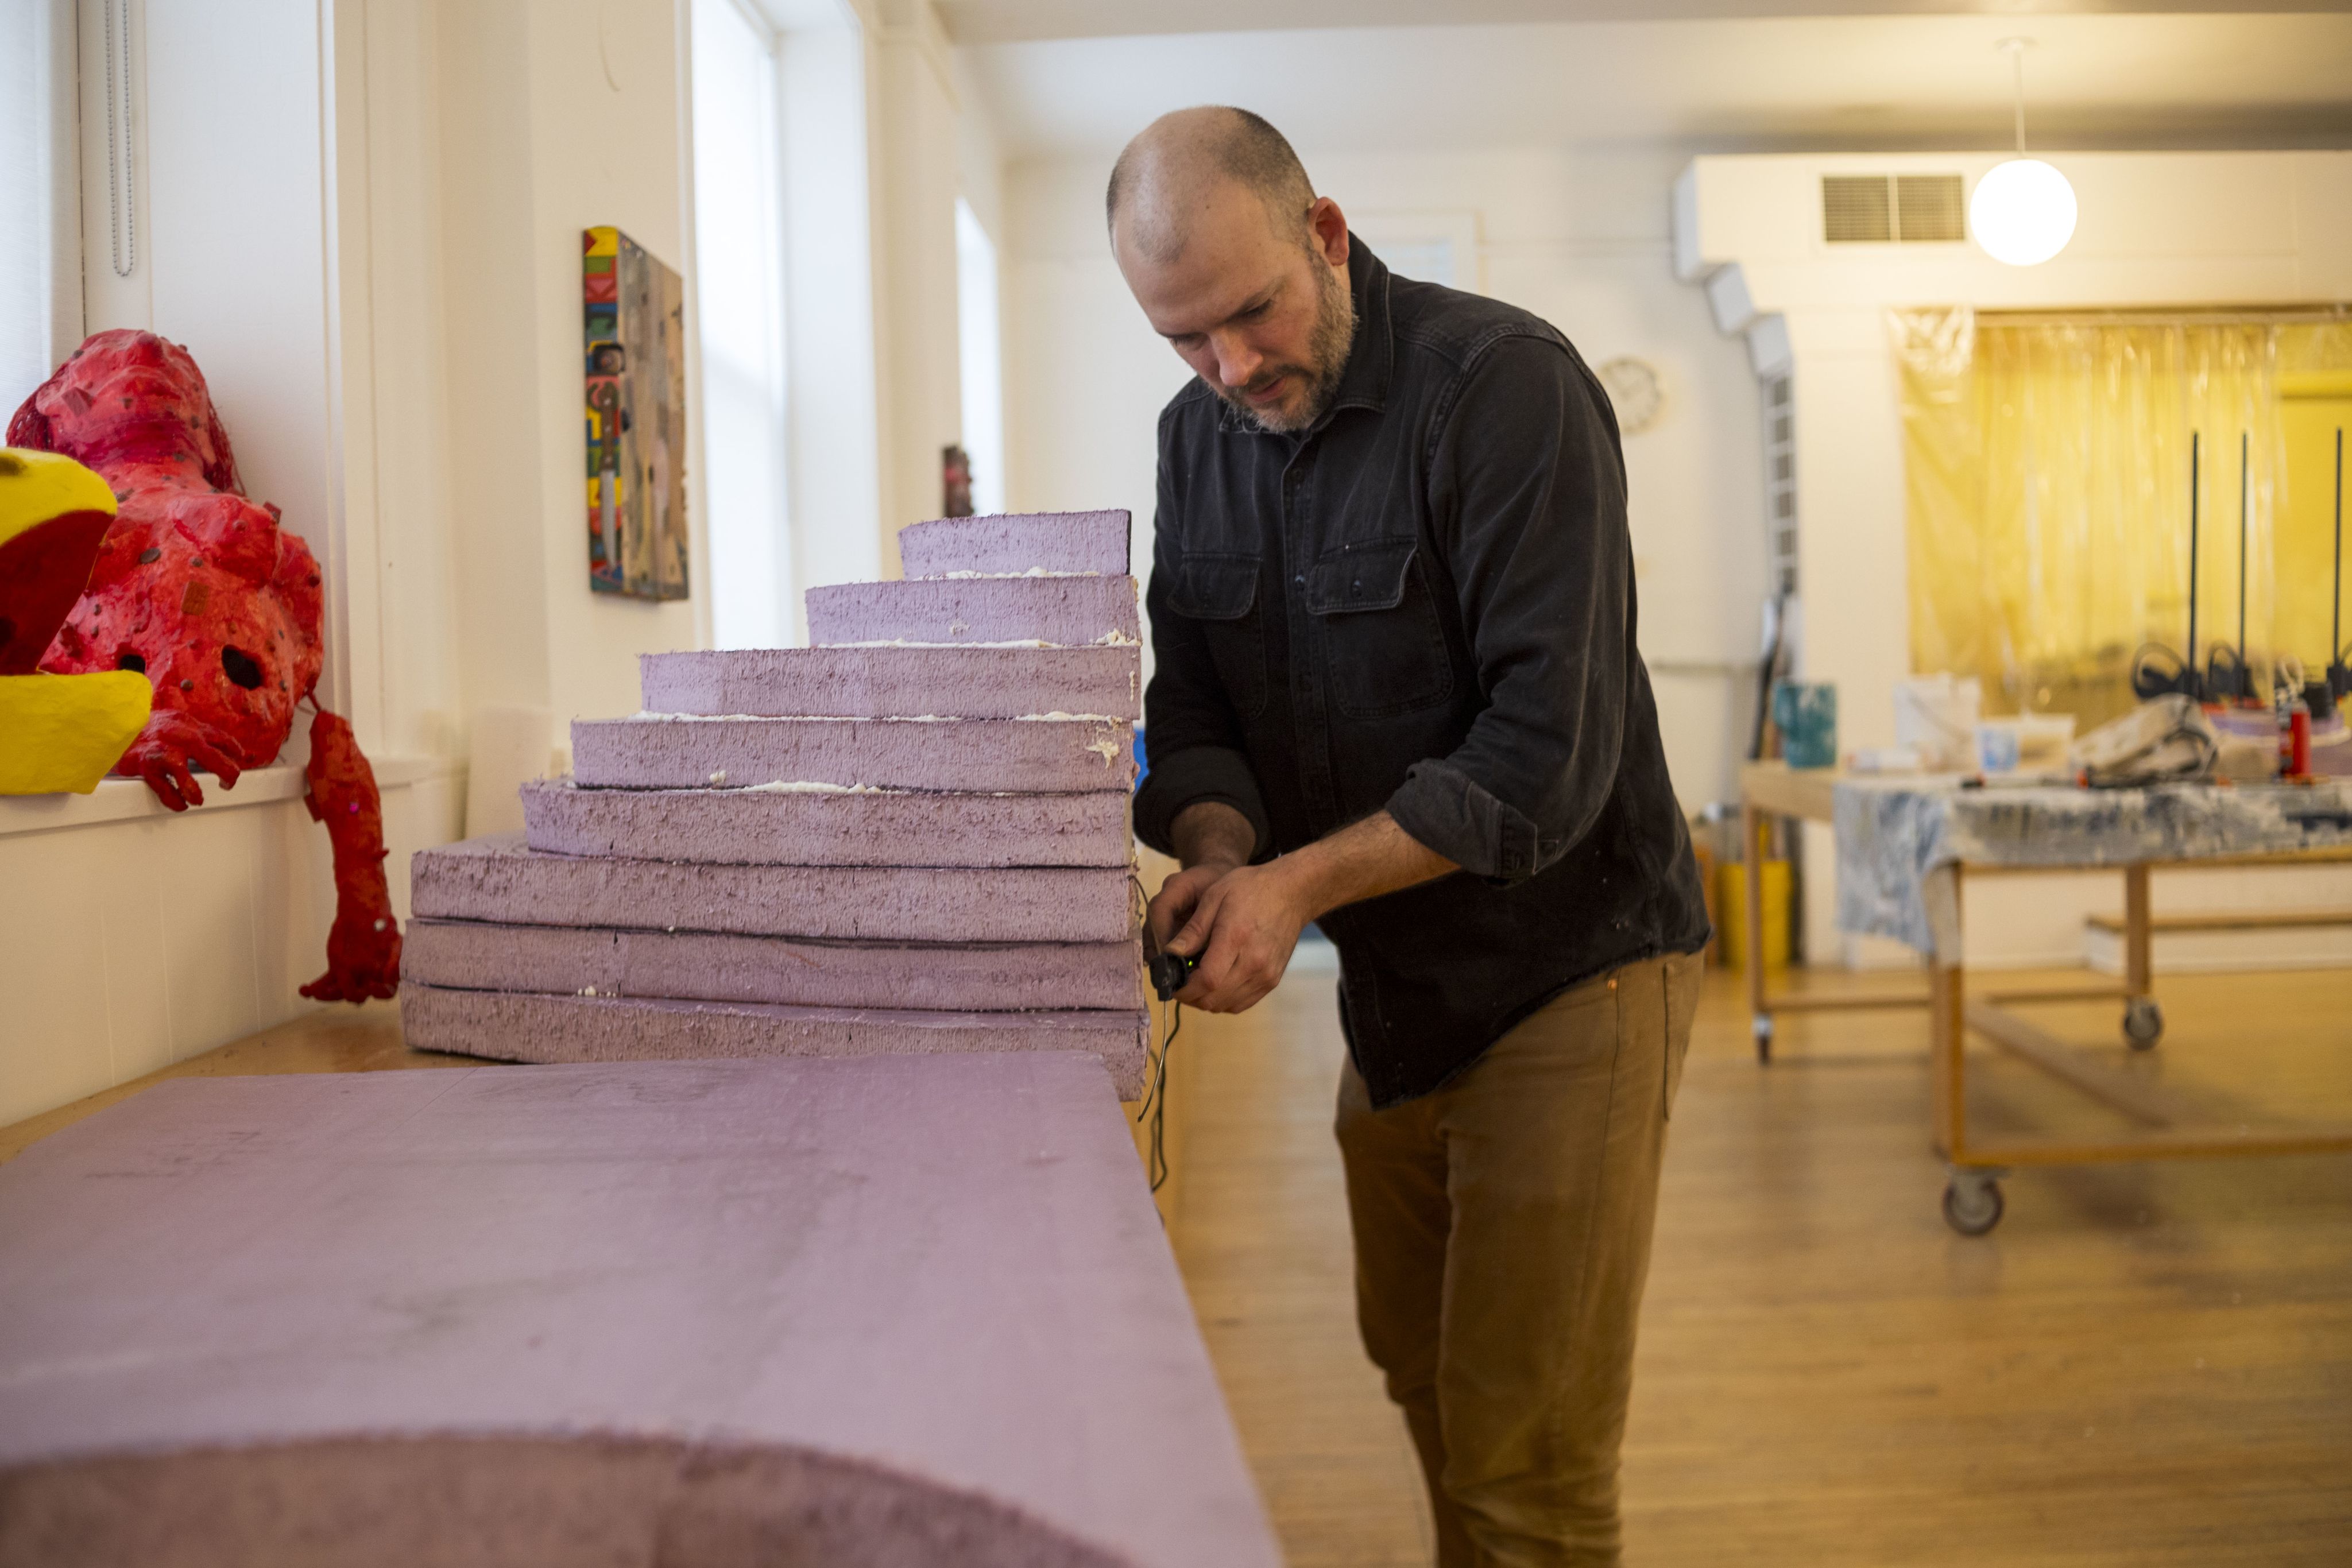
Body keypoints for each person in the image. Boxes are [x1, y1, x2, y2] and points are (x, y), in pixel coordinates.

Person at [1110, 107, 1712, 1567]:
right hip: (1395, 999)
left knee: (1528, 1462)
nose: (1232, 369)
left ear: (1325, 230)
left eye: (1251, 314)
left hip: (1572, 968)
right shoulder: (1197, 442)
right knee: (1426, 1383)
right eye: (1187, 340)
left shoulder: (1503, 389)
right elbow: (1193, 712)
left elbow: (1537, 764)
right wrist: (1211, 848)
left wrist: (1292, 884)